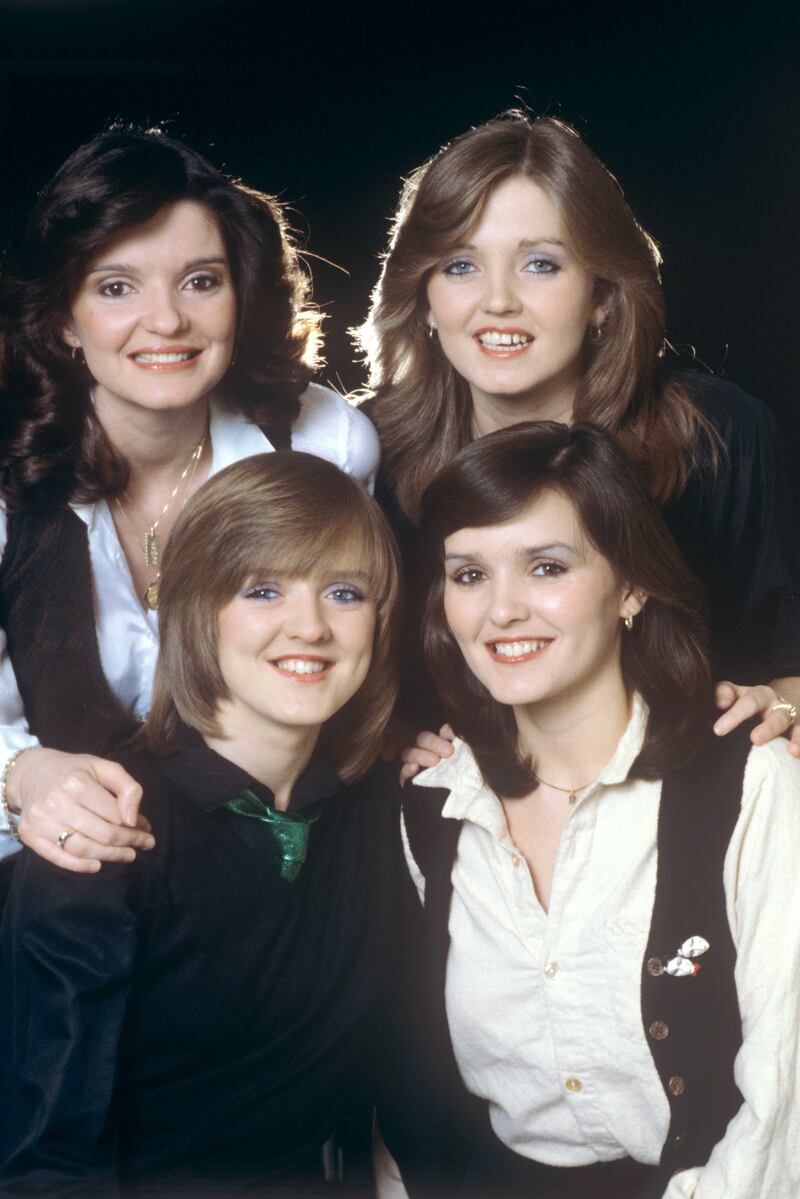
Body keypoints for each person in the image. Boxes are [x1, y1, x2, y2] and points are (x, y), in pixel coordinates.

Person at [383, 422, 800, 1199]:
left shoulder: (751, 783)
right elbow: (412, 1094)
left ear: (632, 586)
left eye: (546, 566)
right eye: (469, 574)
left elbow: (788, 1102)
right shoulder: (432, 804)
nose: (501, 610)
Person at [0, 451, 406, 1194]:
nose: (309, 625)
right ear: (194, 609)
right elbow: (45, 1168)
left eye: (344, 591)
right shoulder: (103, 830)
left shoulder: (381, 807)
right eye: (263, 590)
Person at [356, 110, 800, 761]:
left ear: (602, 296)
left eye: (539, 264)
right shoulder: (367, 453)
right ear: (422, 298)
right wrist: (382, 743)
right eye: (459, 266)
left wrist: (783, 702)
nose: (498, 300)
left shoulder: (720, 437)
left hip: (689, 807)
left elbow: (790, 661)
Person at [0, 125, 379, 877]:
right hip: (57, 873)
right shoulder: (10, 483)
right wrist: (21, 773)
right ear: (63, 319)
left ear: (241, 296)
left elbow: (359, 638)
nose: (167, 320)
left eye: (201, 281)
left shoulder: (323, 444)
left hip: (267, 861)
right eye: (117, 287)